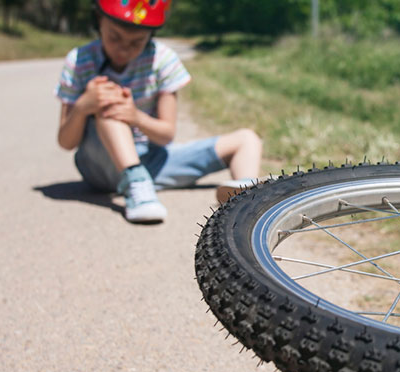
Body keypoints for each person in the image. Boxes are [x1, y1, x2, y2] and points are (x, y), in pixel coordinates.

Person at [54, 0, 262, 223]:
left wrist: (136, 117)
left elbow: (165, 134)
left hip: (151, 161)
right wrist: (84, 106)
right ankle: (135, 182)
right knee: (110, 104)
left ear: (150, 34)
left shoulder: (162, 59)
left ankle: (245, 196)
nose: (124, 48)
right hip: (99, 164)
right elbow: (66, 142)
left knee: (247, 139)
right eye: (115, 37)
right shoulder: (79, 60)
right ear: (98, 21)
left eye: (136, 42)